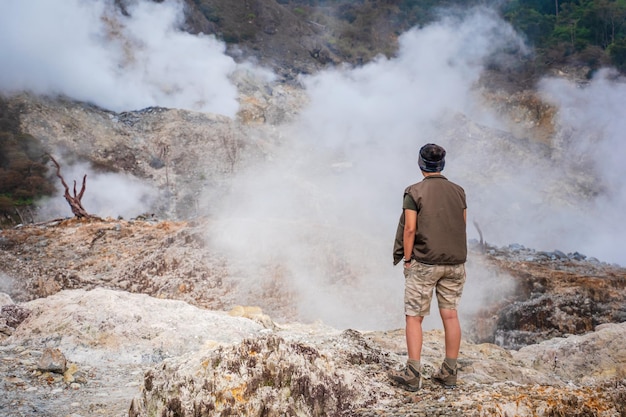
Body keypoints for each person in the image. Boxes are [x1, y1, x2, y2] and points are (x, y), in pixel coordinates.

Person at [388, 143, 467, 392]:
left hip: (425, 262)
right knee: (451, 315)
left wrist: (408, 259)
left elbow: (410, 228)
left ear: (421, 164)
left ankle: (412, 374)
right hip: (455, 263)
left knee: (414, 317)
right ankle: (449, 371)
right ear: (442, 165)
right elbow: (461, 225)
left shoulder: (414, 191)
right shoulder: (459, 191)